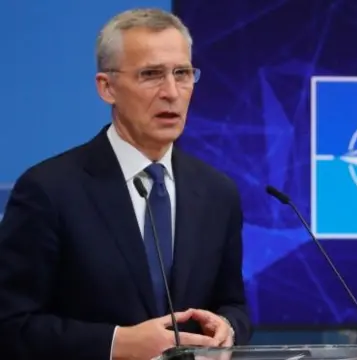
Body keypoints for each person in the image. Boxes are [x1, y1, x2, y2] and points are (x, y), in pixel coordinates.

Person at [0, 8, 252, 360]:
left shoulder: (217, 192)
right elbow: (11, 324)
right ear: (107, 87)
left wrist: (228, 327)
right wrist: (116, 343)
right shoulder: (49, 190)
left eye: (182, 73)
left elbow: (232, 303)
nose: (171, 92)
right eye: (151, 74)